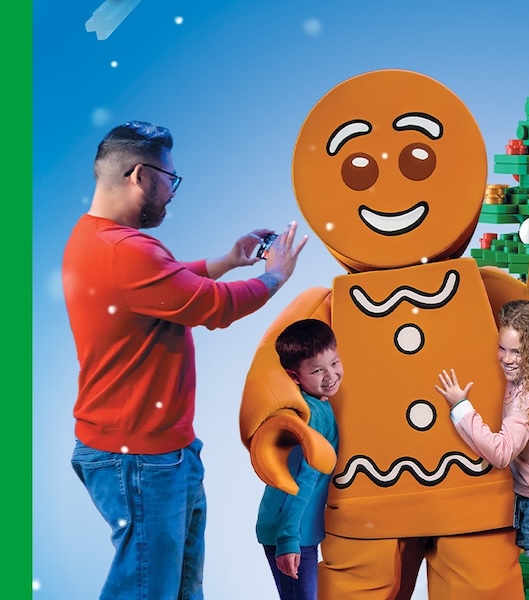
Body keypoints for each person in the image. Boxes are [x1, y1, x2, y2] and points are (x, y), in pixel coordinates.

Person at [63, 120, 307, 600]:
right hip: (139, 460)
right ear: (138, 175)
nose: (172, 191)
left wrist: (228, 260)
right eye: (169, 178)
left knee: (177, 589)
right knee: (147, 591)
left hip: (159, 453)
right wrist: (275, 276)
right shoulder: (125, 250)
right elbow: (214, 307)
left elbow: (165, 285)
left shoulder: (100, 240)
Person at [434, 299, 529, 600]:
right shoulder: (525, 379)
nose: (506, 358)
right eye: (502, 348)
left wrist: (461, 408)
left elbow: (502, 453)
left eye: (517, 351)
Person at [256, 319, 342, 600]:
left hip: (297, 529)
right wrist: (288, 540)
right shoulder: (311, 417)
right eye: (317, 370)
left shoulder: (316, 405)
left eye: (335, 363)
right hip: (291, 530)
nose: (330, 375)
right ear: (295, 376)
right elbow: (302, 481)